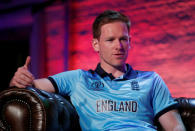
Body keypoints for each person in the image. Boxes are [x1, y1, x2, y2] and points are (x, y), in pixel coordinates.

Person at [10, 10, 186, 131]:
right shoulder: (78, 78)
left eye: (123, 39)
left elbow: (174, 126)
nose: (118, 46)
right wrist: (18, 80)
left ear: (130, 41)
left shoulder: (151, 79)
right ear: (96, 44)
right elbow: (28, 87)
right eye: (110, 40)